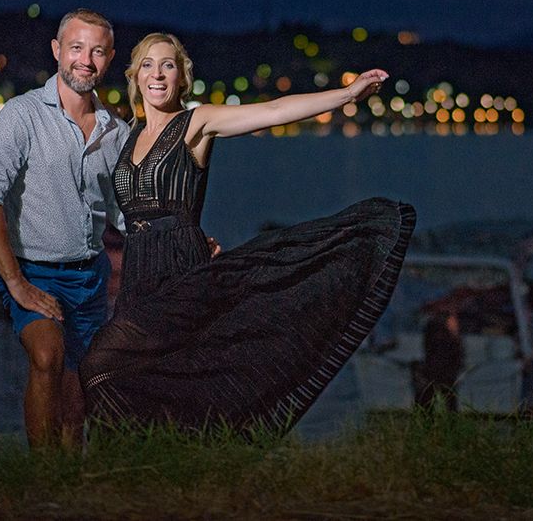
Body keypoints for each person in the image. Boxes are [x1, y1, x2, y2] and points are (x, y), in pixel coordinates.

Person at [80, 32, 416, 433]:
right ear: (135, 76)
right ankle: (170, 449)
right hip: (139, 272)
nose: (158, 74)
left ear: (181, 77)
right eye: (148, 65)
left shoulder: (196, 122)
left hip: (180, 266)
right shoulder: (127, 135)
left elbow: (273, 110)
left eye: (168, 65)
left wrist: (346, 94)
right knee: (151, 372)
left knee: (99, 363)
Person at [0, 8, 129, 448]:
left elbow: (124, 214)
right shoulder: (20, 117)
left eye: (97, 51)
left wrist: (185, 239)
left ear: (109, 58)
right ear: (57, 50)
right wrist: (16, 284)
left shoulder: (116, 132)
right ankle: (42, 477)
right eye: (76, 48)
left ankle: (67, 478)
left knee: (77, 395)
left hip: (90, 277)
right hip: (34, 272)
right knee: (46, 355)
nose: (86, 60)